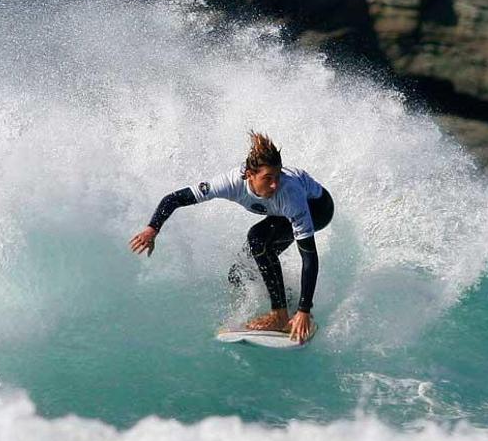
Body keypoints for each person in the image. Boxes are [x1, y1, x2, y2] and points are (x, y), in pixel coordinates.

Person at [129, 131, 334, 343]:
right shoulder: (230, 183)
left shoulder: (289, 193)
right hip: (281, 214)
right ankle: (288, 301)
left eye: (278, 176)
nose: (275, 184)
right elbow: (174, 199)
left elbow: (309, 256)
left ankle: (281, 314)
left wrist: (305, 309)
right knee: (240, 272)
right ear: (249, 175)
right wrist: (152, 229)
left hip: (318, 208)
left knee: (258, 239)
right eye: (268, 178)